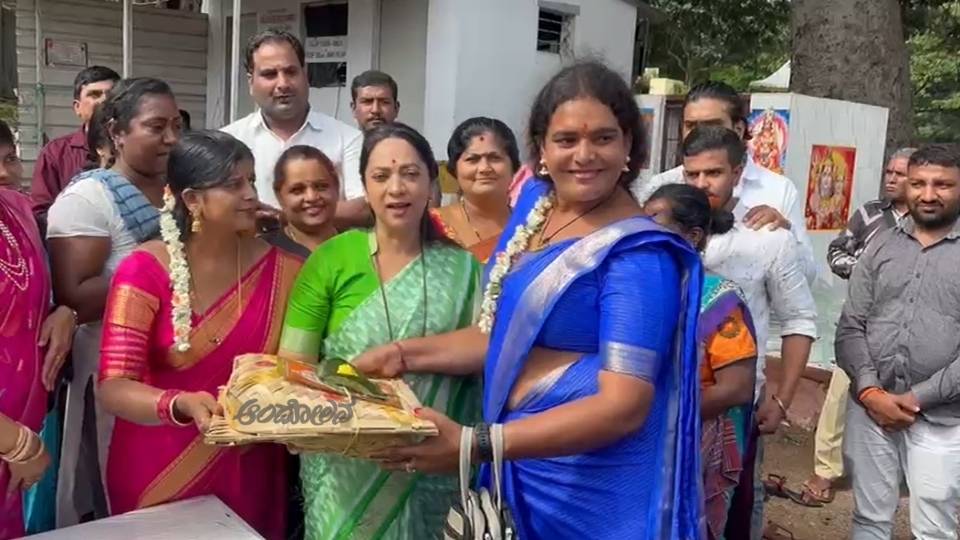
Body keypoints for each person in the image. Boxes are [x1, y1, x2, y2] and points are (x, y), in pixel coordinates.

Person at [352, 61, 705, 539]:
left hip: (590, 492)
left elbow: (625, 406)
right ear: (540, 147)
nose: (584, 155)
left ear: (630, 146)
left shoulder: (637, 256)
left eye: (603, 138)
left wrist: (473, 444)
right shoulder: (536, 210)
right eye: (566, 140)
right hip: (518, 466)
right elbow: (500, 336)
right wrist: (402, 354)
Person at [277, 123, 482, 539]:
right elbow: (294, 366)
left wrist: (403, 354)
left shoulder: (464, 270)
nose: (396, 189)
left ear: (430, 182)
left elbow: (488, 349)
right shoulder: (332, 259)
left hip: (434, 461)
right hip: (343, 468)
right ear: (364, 187)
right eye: (381, 176)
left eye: (410, 174)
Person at [96, 130, 296, 539]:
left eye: (251, 180)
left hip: (249, 464)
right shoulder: (145, 270)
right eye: (232, 184)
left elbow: (296, 370)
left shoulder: (286, 269)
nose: (250, 194)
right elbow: (114, 386)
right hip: (159, 464)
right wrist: (179, 403)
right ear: (191, 200)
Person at [46, 77, 181, 527]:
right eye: (156, 127)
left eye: (176, 126)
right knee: (113, 494)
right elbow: (75, 298)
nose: (171, 139)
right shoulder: (88, 199)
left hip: (173, 369)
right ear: (118, 132)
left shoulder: (180, 192)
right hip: (109, 374)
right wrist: (165, 259)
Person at [680, 126, 817, 538]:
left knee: (732, 510)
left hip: (735, 403)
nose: (702, 184)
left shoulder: (766, 240)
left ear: (738, 172)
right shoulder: (661, 229)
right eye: (693, 174)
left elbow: (798, 320)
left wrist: (783, 397)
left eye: (714, 173)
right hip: (660, 398)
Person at [837, 144, 960, 540]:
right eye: (919, 183)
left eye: (943, 184)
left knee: (934, 528)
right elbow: (851, 325)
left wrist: (919, 396)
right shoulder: (880, 245)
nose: (928, 194)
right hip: (870, 409)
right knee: (870, 519)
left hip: (943, 419)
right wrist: (871, 391)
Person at [803, 147, 916, 506]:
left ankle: (909, 480)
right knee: (839, 397)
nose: (891, 178)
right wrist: (866, 270)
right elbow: (837, 251)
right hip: (862, 323)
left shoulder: (933, 220)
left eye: (900, 174)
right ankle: (825, 470)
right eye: (889, 172)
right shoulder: (870, 213)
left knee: (912, 400)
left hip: (912, 330)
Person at [644, 184, 757, 540]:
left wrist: (665, 415)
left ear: (692, 236)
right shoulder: (640, 289)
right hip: (640, 436)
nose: (643, 233)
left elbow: (736, 386)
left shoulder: (720, 300)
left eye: (654, 222)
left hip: (694, 441)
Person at [633, 81, 817, 284]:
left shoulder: (777, 190)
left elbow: (808, 277)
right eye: (690, 125)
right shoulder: (661, 186)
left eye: (711, 125)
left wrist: (785, 234)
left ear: (738, 128)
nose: (698, 134)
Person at [0, 121, 76, 539]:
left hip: (23, 421)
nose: (4, 172)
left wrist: (63, 312)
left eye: (9, 158)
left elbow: (31, 296)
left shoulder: (16, 213)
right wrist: (17, 444)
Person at [222, 30, 367, 228]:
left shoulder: (347, 139)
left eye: (290, 72)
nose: (283, 84)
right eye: (269, 74)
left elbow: (364, 207)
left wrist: (283, 218)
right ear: (251, 82)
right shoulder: (229, 141)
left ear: (305, 75)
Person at [31, 66, 120, 226]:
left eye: (111, 94)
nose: (104, 100)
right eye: (95, 94)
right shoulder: (55, 153)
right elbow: (41, 212)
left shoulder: (136, 147)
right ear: (77, 107)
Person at [429, 117, 519, 262]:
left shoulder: (532, 227)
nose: (484, 168)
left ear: (514, 167)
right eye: (473, 159)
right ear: (454, 169)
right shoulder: (430, 227)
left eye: (495, 158)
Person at [262, 145, 340, 258]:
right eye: (297, 190)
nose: (311, 197)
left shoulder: (361, 247)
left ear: (336, 188)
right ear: (279, 196)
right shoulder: (263, 252)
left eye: (321, 187)